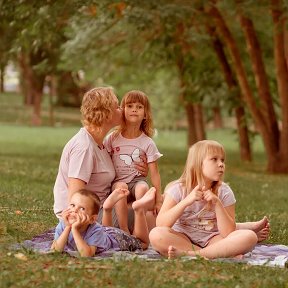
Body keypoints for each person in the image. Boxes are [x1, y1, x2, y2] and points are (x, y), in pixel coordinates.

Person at [149, 140, 259, 259]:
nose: (221, 164)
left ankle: (193, 255)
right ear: (198, 163)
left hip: (212, 238)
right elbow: (161, 224)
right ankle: (216, 253)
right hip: (182, 238)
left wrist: (217, 203)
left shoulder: (225, 192)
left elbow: (228, 232)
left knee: (250, 236)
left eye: (222, 160)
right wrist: (187, 201)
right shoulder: (177, 189)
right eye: (214, 159)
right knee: (156, 234)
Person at [53, 87, 147, 226]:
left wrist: (138, 171)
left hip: (104, 206)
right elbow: (75, 197)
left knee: (150, 201)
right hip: (88, 216)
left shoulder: (100, 143)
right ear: (107, 113)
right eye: (117, 107)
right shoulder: (84, 147)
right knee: (149, 212)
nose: (121, 110)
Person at [104, 90, 162, 233]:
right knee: (120, 187)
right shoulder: (113, 138)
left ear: (145, 114)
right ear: (122, 110)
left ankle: (139, 228)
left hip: (137, 182)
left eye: (139, 106)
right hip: (119, 181)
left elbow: (155, 173)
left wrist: (158, 200)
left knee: (142, 188)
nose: (134, 109)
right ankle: (124, 230)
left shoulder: (147, 143)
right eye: (129, 106)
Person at [51, 187, 156, 257]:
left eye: (82, 208)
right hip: (105, 233)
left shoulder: (95, 229)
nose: (74, 210)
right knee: (105, 230)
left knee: (143, 243)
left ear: (92, 219)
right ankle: (107, 208)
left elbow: (87, 254)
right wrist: (68, 227)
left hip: (117, 239)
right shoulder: (63, 224)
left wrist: (74, 229)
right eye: (72, 205)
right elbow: (55, 249)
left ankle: (138, 210)